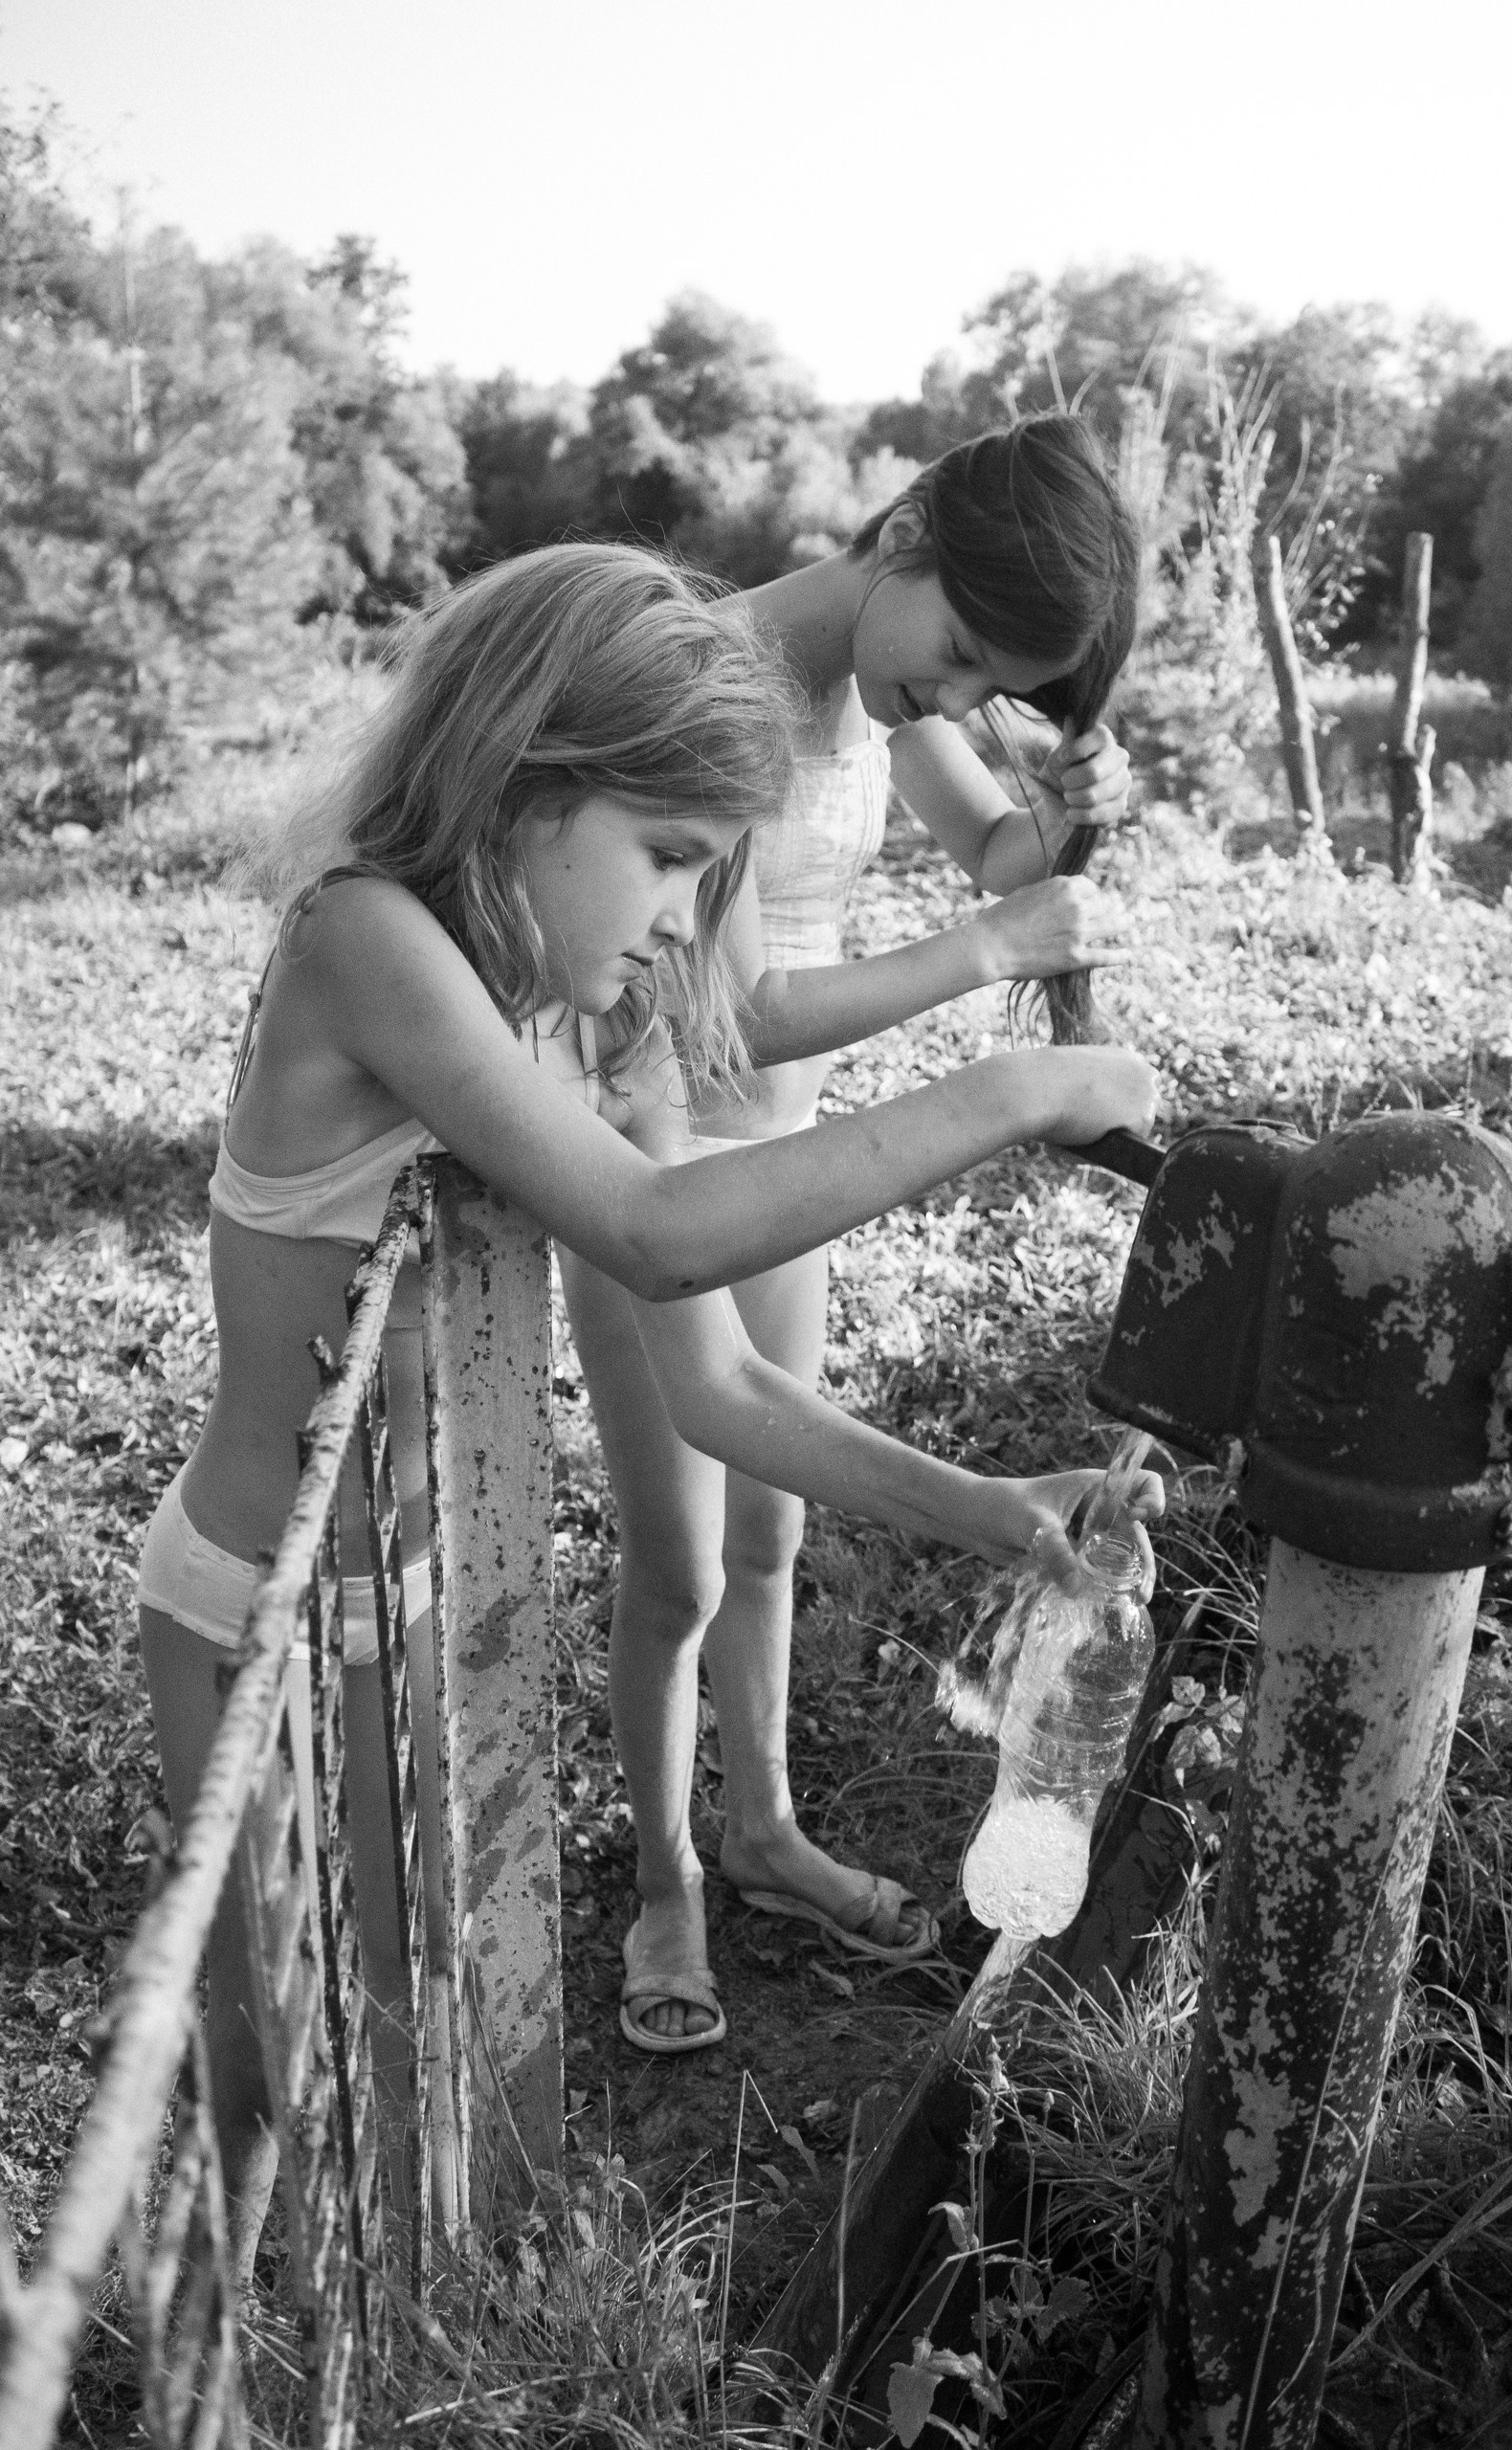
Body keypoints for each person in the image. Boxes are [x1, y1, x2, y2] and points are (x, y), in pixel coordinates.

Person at [134, 540, 1160, 2267]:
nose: (688, 922)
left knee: (409, 2009)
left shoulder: (588, 1029)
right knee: (267, 2055)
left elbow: (724, 1384)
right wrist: (1008, 1088)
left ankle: (421, 2315)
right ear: (526, 782)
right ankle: (274, 2319)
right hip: (260, 1615)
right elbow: (654, 1234)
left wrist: (990, 1508)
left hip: (418, 1611)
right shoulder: (370, 941)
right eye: (670, 859)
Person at [561, 414, 1147, 2044]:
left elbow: (1003, 850)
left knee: (771, 1533)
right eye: (961, 659)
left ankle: (764, 1830)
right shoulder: (723, 684)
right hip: (659, 1167)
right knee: (675, 1564)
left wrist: (1074, 815)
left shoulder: (879, 688)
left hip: (791, 1165)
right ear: (903, 537)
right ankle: (666, 1881)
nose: (957, 706)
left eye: (990, 693)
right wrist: (984, 953)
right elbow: (743, 1016)